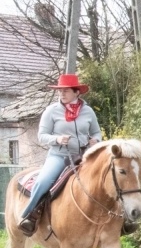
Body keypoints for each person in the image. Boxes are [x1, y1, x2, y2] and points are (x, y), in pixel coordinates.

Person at [18, 73, 102, 236]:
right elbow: (41, 136)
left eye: (66, 91)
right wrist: (57, 139)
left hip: (84, 156)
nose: (61, 94)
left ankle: (117, 221)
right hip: (59, 157)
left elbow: (96, 132)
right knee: (43, 181)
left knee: (106, 178)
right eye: (60, 91)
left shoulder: (88, 111)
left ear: (77, 92)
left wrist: (96, 140)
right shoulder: (51, 111)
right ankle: (30, 216)